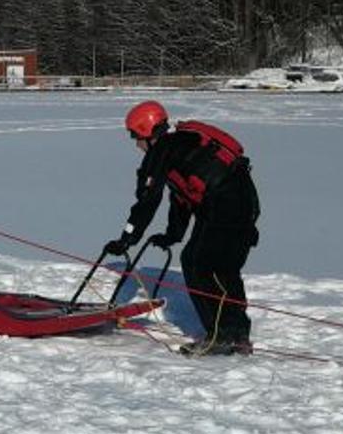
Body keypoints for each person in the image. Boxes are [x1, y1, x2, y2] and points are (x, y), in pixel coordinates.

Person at [105, 101, 260, 356]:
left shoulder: (162, 151)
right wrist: (172, 235)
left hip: (224, 206)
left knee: (199, 264)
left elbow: (148, 200)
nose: (136, 144)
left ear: (146, 131)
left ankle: (220, 337)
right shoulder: (182, 146)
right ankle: (237, 335)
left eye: (135, 136)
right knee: (224, 270)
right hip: (244, 205)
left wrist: (127, 239)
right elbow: (183, 198)